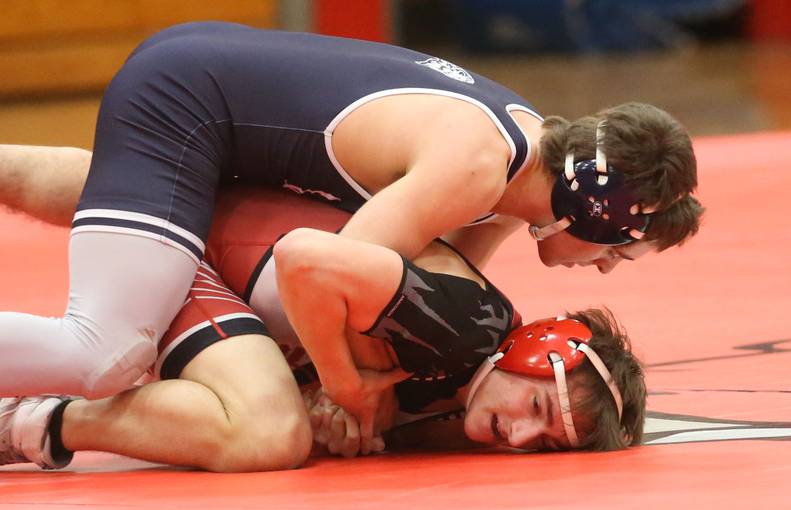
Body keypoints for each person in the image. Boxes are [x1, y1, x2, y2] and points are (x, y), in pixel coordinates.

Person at [0, 21, 699, 444]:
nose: (606, 270)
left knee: (150, 199)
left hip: (211, 96)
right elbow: (318, 270)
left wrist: (364, 379)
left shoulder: (518, 158)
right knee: (105, 353)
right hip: (189, 107)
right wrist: (342, 389)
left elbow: (425, 274)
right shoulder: (478, 166)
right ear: (595, 211)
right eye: (620, 251)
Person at [1, 178, 644, 471]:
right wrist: (339, 385)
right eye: (536, 405)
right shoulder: (463, 327)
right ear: (527, 353)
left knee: (282, 421)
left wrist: (340, 410)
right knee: (269, 433)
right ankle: (29, 421)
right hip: (195, 250)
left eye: (546, 442)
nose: (522, 436)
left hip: (223, 258)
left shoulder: (459, 398)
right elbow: (303, 256)